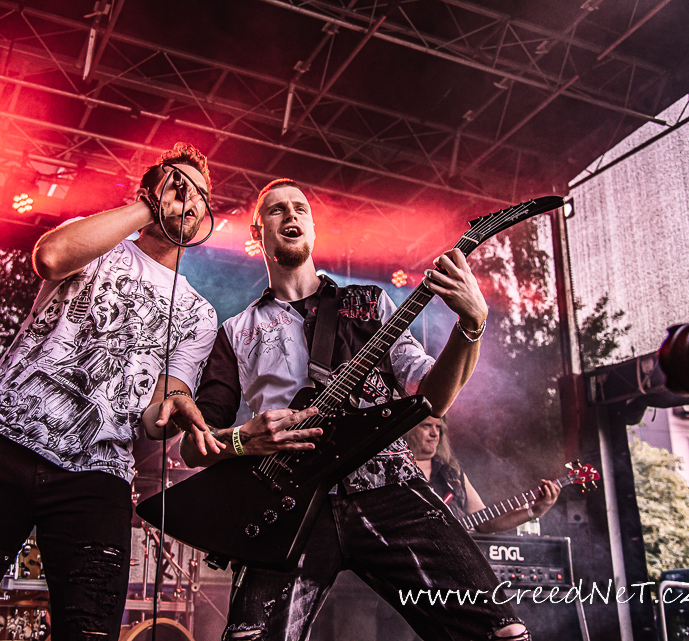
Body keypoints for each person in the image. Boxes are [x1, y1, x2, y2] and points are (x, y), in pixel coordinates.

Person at [146, 178, 531, 640]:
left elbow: (434, 396)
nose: (291, 215)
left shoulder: (370, 303)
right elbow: (194, 446)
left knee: (502, 632)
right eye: (276, 210)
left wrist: (472, 324)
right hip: (287, 503)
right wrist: (244, 440)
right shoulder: (235, 331)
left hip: (388, 483)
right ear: (256, 233)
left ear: (312, 228)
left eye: (300, 208)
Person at [0, 143, 223, 641]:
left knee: (90, 631)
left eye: (200, 195)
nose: (189, 200)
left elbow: (153, 417)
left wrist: (176, 407)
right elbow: (50, 257)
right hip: (0, 444)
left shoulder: (199, 314)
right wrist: (149, 206)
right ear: (150, 191)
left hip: (97, 475)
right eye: (177, 187)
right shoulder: (97, 243)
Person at [406, 415, 560, 533]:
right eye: (426, 426)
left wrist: (535, 511)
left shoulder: (452, 474)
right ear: (409, 429)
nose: (435, 433)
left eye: (438, 427)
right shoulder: (396, 470)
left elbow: (486, 522)